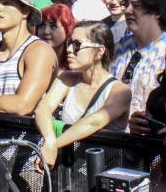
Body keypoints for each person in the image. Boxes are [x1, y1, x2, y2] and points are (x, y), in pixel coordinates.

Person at [35, 21, 130, 167]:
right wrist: (49, 141)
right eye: (69, 43)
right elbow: (43, 109)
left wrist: (53, 146)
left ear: (99, 51)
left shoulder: (120, 90)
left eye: (77, 44)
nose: (69, 49)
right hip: (70, 170)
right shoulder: (67, 78)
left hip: (104, 170)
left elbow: (94, 122)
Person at [37, 3, 75, 70]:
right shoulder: (31, 58)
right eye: (42, 25)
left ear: (67, 29)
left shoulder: (75, 64)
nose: (46, 31)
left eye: (53, 26)